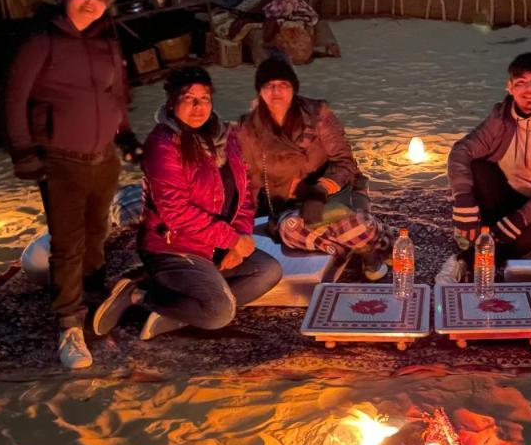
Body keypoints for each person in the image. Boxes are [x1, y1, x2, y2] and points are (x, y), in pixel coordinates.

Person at [5, 0, 141, 370]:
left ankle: (95, 302)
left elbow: (117, 97)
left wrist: (126, 136)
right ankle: (68, 324)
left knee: (97, 233)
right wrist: (24, 152)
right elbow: (14, 99)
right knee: (68, 243)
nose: (91, 1)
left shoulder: (106, 43)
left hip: (103, 158)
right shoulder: (41, 43)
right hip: (60, 158)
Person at [92, 67, 282, 341]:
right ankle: (140, 295)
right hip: (174, 247)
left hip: (215, 244)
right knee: (219, 313)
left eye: (204, 98)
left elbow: (245, 195)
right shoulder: (163, 145)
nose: (198, 107)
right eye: (189, 98)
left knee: (268, 271)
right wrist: (230, 239)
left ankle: (176, 312)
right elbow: (175, 212)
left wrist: (240, 237)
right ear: (171, 100)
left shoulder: (227, 137)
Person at [237, 56, 394, 278]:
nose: (277, 92)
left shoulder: (318, 115)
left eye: (284, 85)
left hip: (335, 196)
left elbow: (345, 161)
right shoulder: (250, 127)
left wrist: (319, 191)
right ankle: (363, 246)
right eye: (269, 86)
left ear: (294, 88)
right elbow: (244, 177)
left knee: (348, 219)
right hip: (290, 209)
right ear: (259, 91)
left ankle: (363, 245)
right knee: (292, 228)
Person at [441, 52, 531, 281]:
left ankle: (467, 258)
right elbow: (462, 150)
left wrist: (522, 218)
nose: (529, 90)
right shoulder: (501, 116)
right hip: (508, 195)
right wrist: (462, 198)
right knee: (477, 166)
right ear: (510, 87)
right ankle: (493, 238)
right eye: (521, 83)